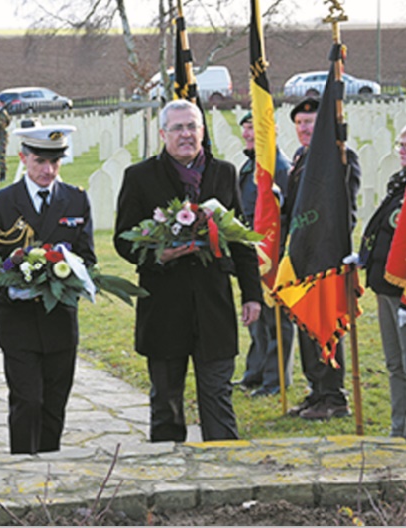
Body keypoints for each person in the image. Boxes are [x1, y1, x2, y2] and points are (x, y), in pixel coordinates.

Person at [113, 99, 262, 442]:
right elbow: (124, 239)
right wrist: (158, 256)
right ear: (163, 133)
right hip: (165, 307)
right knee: (166, 402)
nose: (186, 134)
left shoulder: (223, 173)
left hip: (213, 305)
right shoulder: (139, 177)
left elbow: (240, 237)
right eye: (178, 128)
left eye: (192, 126)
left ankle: (225, 471)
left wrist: (252, 294)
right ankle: (168, 475)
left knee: (218, 396)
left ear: (202, 131)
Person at [0, 123, 95, 455]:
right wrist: (16, 272)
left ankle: (49, 465)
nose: (48, 170)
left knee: (55, 403)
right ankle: (22, 468)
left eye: (55, 163)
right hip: (19, 322)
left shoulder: (75, 199)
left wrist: (67, 269)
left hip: (60, 319)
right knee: (27, 401)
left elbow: (87, 257)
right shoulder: (1, 202)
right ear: (24, 158)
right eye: (40, 162)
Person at [282, 97, 361, 421]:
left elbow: (347, 209)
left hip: (327, 256)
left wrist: (327, 245)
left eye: (310, 123)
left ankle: (334, 397)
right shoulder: (301, 158)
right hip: (302, 257)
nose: (303, 128)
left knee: (327, 327)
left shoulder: (342, 156)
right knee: (306, 324)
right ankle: (316, 391)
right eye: (299, 123)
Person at [356, 116, 406, 437]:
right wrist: (363, 256)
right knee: (394, 364)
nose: (402, 151)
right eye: (401, 145)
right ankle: (398, 429)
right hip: (385, 287)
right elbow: (386, 229)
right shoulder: (403, 182)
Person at [234, 111, 295, 398]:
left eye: (253, 129)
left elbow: (284, 214)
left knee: (276, 322)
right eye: (245, 129)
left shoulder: (279, 168)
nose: (247, 134)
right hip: (252, 253)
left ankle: (276, 380)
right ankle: (254, 374)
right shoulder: (249, 167)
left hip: (274, 255)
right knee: (256, 318)